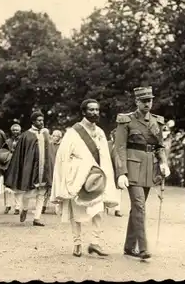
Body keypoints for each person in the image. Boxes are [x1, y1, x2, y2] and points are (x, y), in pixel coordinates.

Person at [50, 99, 119, 257]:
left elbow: (105, 158)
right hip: (78, 178)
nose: (95, 112)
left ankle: (95, 242)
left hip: (96, 180)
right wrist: (71, 174)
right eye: (91, 110)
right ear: (83, 112)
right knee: (77, 213)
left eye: (97, 110)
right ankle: (77, 243)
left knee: (98, 210)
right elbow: (63, 157)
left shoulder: (100, 132)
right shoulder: (73, 133)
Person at [114, 86, 171, 260]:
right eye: (144, 101)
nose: (147, 104)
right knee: (139, 206)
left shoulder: (157, 122)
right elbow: (119, 147)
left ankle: (129, 246)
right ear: (137, 102)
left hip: (149, 168)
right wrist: (121, 172)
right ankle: (143, 247)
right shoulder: (126, 120)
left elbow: (160, 146)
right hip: (132, 167)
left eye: (150, 100)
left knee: (137, 208)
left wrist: (163, 163)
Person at [4, 111, 53, 226]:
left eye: (42, 120)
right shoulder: (26, 135)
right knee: (27, 193)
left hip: (44, 169)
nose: (41, 122)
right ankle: (24, 209)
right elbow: (21, 154)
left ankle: (37, 218)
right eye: (39, 120)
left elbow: (49, 152)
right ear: (33, 121)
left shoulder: (45, 134)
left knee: (41, 194)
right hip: (31, 168)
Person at [42, 129, 63, 214]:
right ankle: (43, 207)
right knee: (47, 189)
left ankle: (58, 208)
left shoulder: (62, 146)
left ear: (59, 137)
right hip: (49, 169)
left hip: (58, 169)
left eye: (56, 136)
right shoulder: (49, 145)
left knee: (58, 188)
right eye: (53, 135)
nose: (54, 137)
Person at [2, 123, 21, 214]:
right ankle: (7, 205)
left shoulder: (22, 141)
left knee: (17, 187)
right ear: (11, 131)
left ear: (20, 131)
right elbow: (3, 152)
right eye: (14, 130)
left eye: (17, 130)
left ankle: (17, 207)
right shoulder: (7, 141)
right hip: (8, 166)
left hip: (18, 166)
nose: (15, 132)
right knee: (7, 187)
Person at [107, 128, 123, 217]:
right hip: (108, 169)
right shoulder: (107, 144)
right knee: (106, 188)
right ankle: (105, 207)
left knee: (118, 190)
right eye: (114, 135)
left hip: (118, 169)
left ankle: (117, 209)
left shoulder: (122, 146)